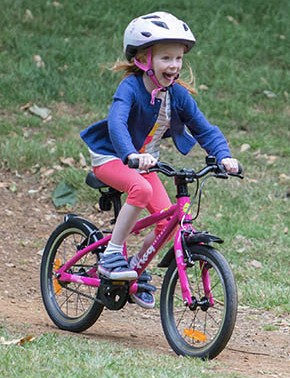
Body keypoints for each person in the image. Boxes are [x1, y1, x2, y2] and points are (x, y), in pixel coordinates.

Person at [80, 11, 239, 309]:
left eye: (178, 59)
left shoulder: (176, 95)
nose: (174, 65)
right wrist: (130, 154)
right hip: (112, 157)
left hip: (145, 161)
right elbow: (117, 123)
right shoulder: (130, 87)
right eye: (166, 58)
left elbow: (204, 129)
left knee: (170, 219)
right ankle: (114, 252)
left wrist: (224, 156)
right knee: (140, 190)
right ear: (144, 59)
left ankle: (136, 269)